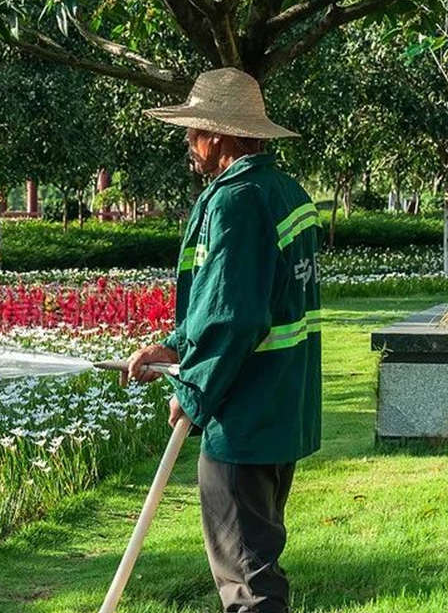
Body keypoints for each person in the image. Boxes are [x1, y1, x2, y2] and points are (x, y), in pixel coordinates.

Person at [124, 68, 322, 613]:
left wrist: (192, 390)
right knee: (259, 557)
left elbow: (234, 318)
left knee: (248, 584)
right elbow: (238, 297)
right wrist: (174, 346)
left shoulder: (237, 202)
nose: (189, 144)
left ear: (220, 135)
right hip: (279, 409)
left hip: (244, 418)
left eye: (194, 132)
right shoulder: (284, 192)